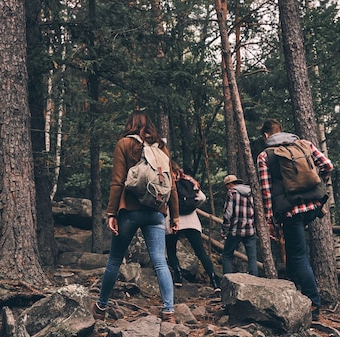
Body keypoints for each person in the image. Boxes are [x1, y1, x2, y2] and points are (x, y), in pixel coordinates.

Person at [92, 110, 179, 324]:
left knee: (114, 260)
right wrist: (174, 216)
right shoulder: (161, 147)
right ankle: (169, 311)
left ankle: (101, 307)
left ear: (130, 124)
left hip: (130, 211)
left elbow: (118, 182)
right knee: (160, 261)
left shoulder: (124, 144)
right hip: (156, 212)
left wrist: (112, 213)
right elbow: (172, 186)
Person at [256, 119, 333, 321]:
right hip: (313, 206)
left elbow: (266, 190)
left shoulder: (265, 155)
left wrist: (270, 219)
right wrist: (318, 186)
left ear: (266, 136)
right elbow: (327, 165)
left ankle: (314, 303)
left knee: (298, 255)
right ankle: (296, 293)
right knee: (293, 252)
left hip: (290, 210)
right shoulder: (304, 144)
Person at [165, 162, 222, 292]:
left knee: (171, 250)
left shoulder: (167, 183)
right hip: (191, 222)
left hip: (173, 221)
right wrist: (192, 206)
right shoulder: (189, 181)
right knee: (200, 252)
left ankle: (178, 276)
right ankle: (214, 280)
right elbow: (202, 197)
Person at [221, 175, 258, 276]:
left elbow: (228, 213)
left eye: (226, 186)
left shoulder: (232, 192)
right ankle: (255, 283)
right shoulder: (251, 192)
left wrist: (224, 229)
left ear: (230, 184)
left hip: (235, 230)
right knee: (252, 259)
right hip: (250, 230)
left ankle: (227, 282)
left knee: (227, 256)